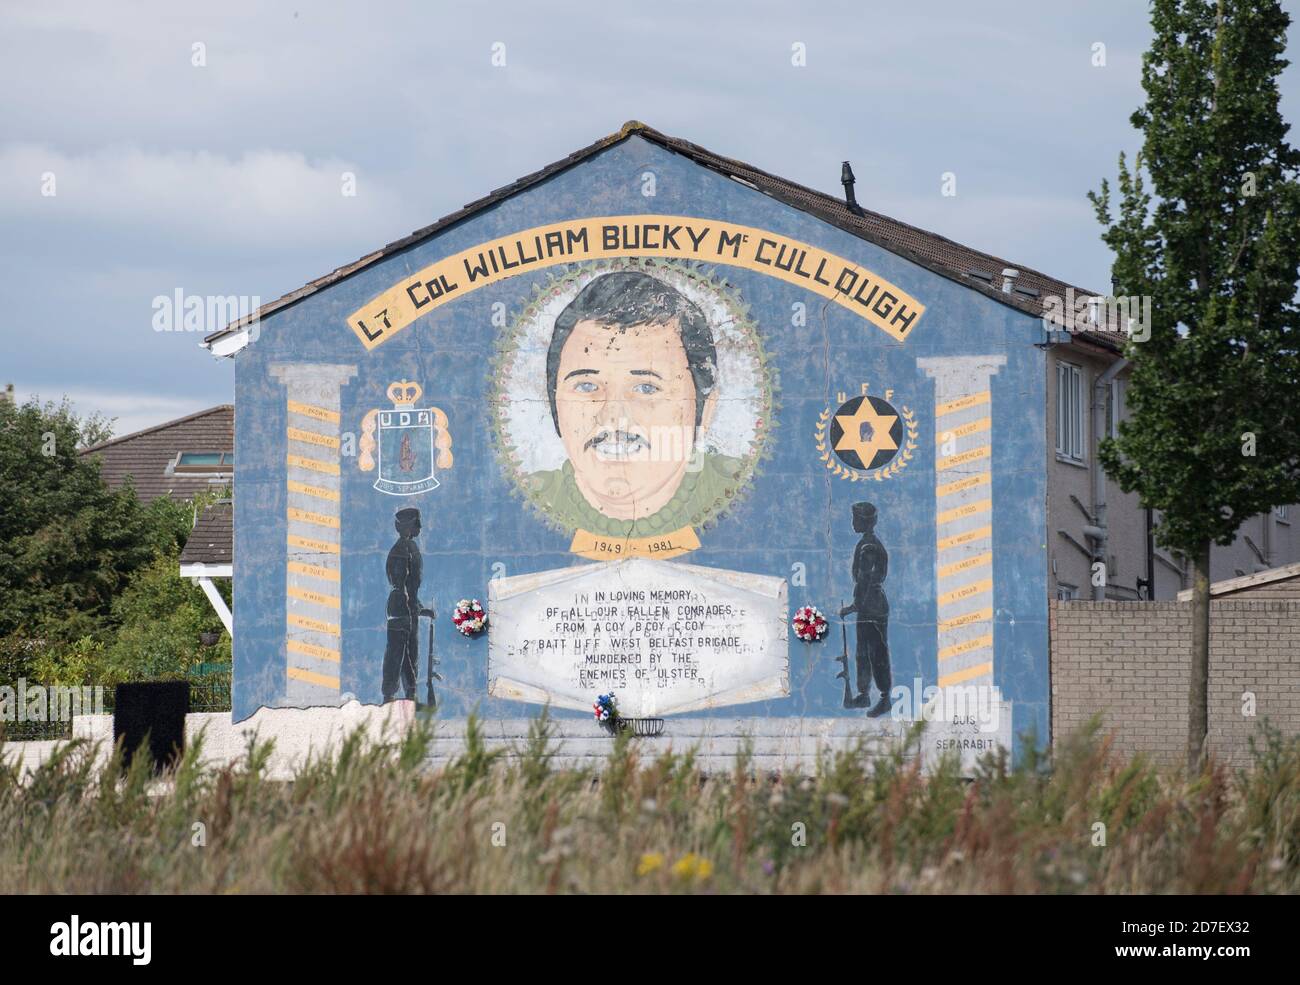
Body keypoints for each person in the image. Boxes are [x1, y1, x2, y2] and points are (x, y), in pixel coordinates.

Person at [526, 271, 742, 540]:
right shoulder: (527, 504)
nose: (613, 416)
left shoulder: (744, 497)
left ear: (705, 409)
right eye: (587, 386)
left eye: (646, 389)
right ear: (554, 405)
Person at [838, 501, 892, 717]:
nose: (853, 522)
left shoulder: (869, 546)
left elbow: (866, 581)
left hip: (874, 606)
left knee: (876, 653)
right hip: (869, 606)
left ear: (864, 521)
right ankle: (864, 694)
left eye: (856, 519)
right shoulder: (866, 543)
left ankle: (885, 698)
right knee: (863, 652)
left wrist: (854, 606)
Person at [383, 507, 435, 703]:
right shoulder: (400, 550)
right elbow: (400, 584)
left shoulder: (410, 547)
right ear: (406, 527)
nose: (420, 527)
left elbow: (411, 586)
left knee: (409, 653)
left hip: (408, 607)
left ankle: (410, 696)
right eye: (416, 523)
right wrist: (409, 606)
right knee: (397, 652)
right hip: (400, 608)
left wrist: (419, 608)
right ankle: (389, 695)